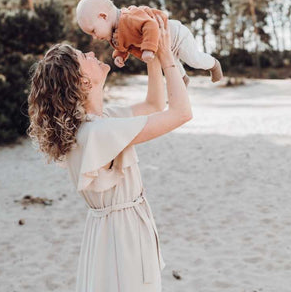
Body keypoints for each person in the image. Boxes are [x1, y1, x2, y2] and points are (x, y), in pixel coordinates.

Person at [27, 15, 191, 291]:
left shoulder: (98, 122)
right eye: (83, 56)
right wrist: (165, 56)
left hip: (114, 229)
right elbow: (181, 113)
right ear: (83, 81)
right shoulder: (97, 133)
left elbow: (154, 103)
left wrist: (148, 53)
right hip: (121, 235)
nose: (92, 52)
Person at [75, 0, 223, 87]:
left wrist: (148, 49)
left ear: (103, 16)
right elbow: (123, 45)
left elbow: (150, 25)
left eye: (93, 31)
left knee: (194, 60)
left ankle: (214, 64)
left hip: (177, 36)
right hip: (165, 48)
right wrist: (120, 55)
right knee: (172, 67)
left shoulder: (129, 17)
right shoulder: (113, 33)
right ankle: (183, 81)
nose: (94, 36)